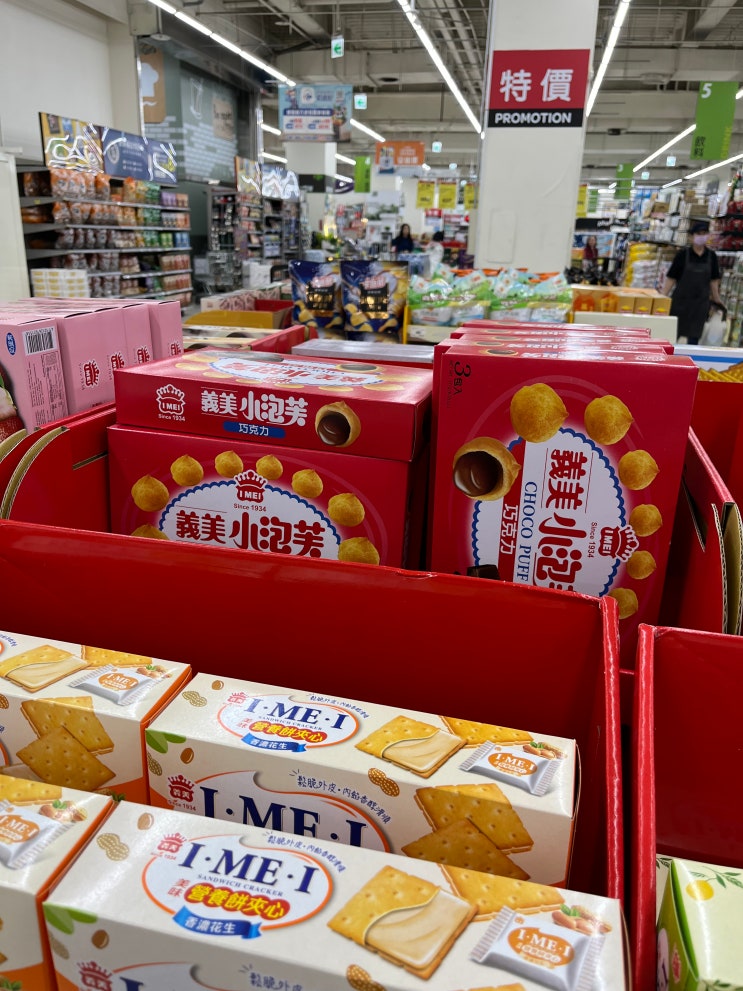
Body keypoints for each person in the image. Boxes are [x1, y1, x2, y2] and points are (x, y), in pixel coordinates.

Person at [663, 221, 725, 345]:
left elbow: (714, 280)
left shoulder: (711, 256)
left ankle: (691, 356)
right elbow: (671, 278)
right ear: (691, 236)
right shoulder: (682, 255)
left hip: (700, 304)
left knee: (695, 336)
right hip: (680, 302)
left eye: (704, 233)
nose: (701, 236)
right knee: (673, 334)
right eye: (698, 234)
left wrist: (717, 299)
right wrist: (663, 296)